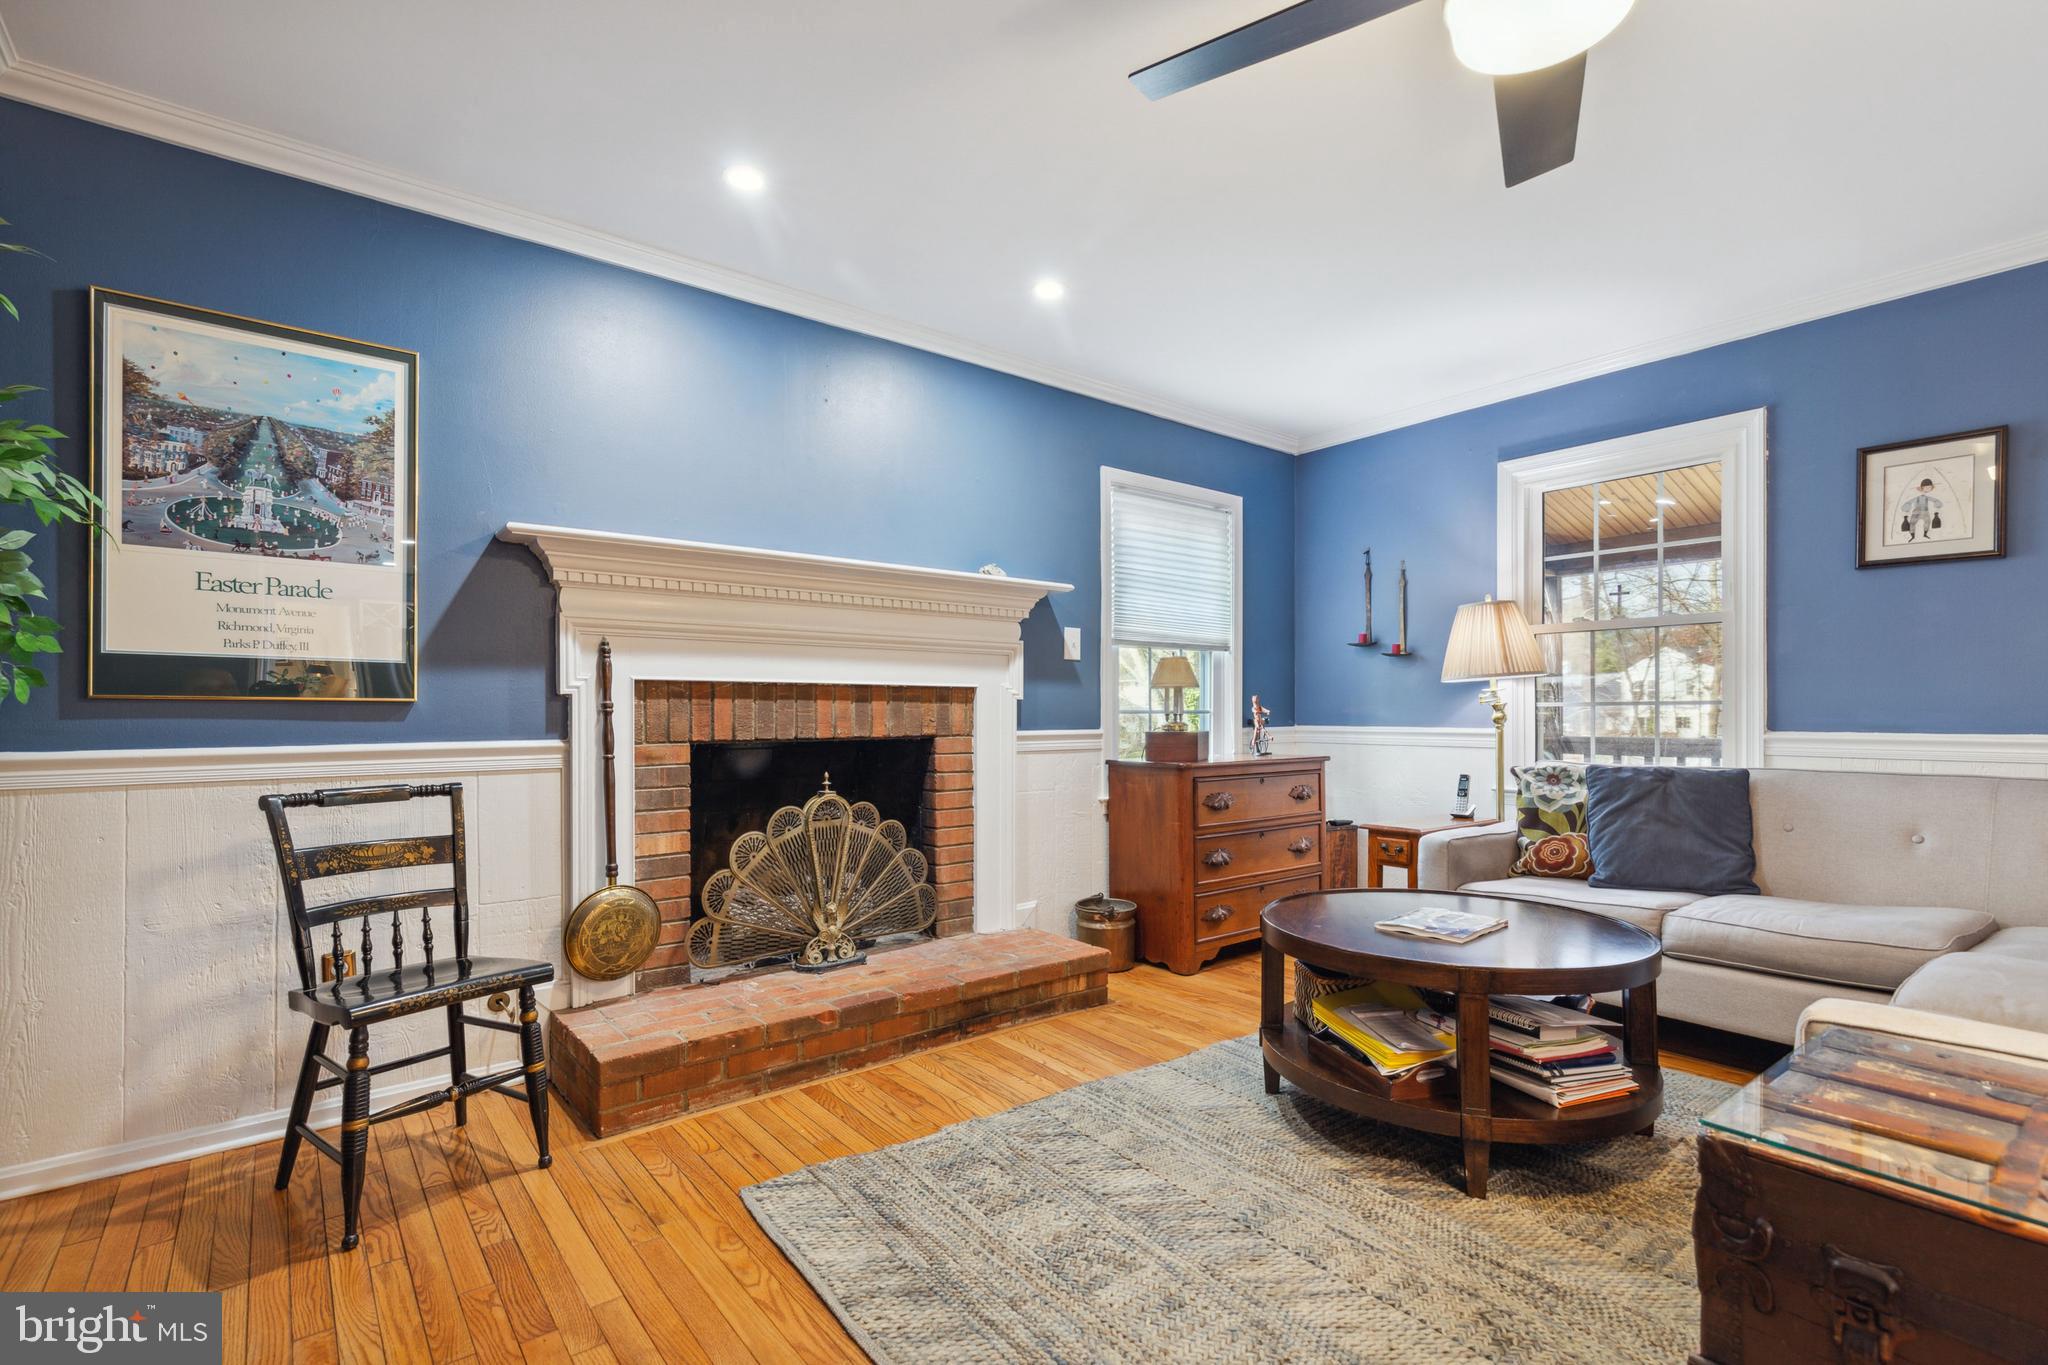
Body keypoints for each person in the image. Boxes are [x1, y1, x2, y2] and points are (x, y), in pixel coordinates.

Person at [1899, 477, 1943, 541]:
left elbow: (1934, 500)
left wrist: (1937, 504)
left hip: (1925, 511)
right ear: (1922, 487)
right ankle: (1912, 535)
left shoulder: (1927, 496)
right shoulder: (1917, 496)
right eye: (1927, 487)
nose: (1928, 489)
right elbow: (1910, 501)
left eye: (1929, 487)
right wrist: (1906, 508)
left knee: (1927, 522)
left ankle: (1925, 533)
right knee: (1912, 523)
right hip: (1916, 512)